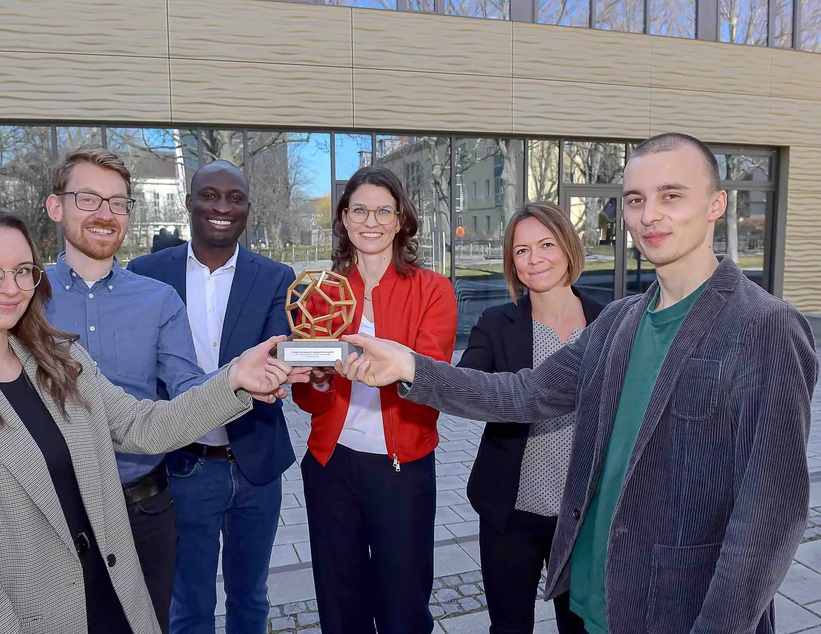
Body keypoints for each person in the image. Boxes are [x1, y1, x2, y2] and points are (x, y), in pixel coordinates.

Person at [340, 133, 819, 634]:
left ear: (716, 204)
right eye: (635, 200)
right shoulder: (618, 322)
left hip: (675, 609)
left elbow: (770, 515)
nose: (650, 215)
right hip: (593, 598)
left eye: (671, 195)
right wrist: (411, 366)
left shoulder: (764, 326)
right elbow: (523, 393)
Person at [0, 206, 305, 634]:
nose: (10, 287)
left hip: (111, 598)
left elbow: (143, 426)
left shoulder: (60, 361)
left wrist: (234, 378)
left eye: (23, 271)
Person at [128, 160, 296, 634]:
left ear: (247, 208)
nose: (222, 207)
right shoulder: (147, 273)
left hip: (256, 463)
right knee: (189, 603)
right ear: (189, 202)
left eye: (235, 198)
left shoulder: (275, 277)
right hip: (185, 465)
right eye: (210, 195)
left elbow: (275, 361)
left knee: (251, 597)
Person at [44, 145, 205, 632]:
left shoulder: (160, 300)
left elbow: (188, 389)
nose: (105, 213)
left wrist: (247, 380)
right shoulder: (24, 298)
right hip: (53, 513)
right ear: (56, 207)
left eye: (117, 202)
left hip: (144, 511)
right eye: (88, 199)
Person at [291, 166, 457, 634]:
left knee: (403, 604)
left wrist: (389, 370)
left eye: (384, 211)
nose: (371, 221)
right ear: (344, 218)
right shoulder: (321, 292)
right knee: (339, 602)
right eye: (360, 210)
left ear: (401, 219)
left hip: (401, 469)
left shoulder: (433, 290)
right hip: (331, 465)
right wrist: (317, 379)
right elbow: (307, 398)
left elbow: (431, 382)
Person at [459, 201, 600, 634]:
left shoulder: (608, 322)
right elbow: (465, 388)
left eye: (546, 244)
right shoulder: (495, 323)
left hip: (583, 518)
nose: (534, 258)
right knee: (509, 628)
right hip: (510, 512)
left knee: (581, 628)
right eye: (522, 250)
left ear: (568, 247)